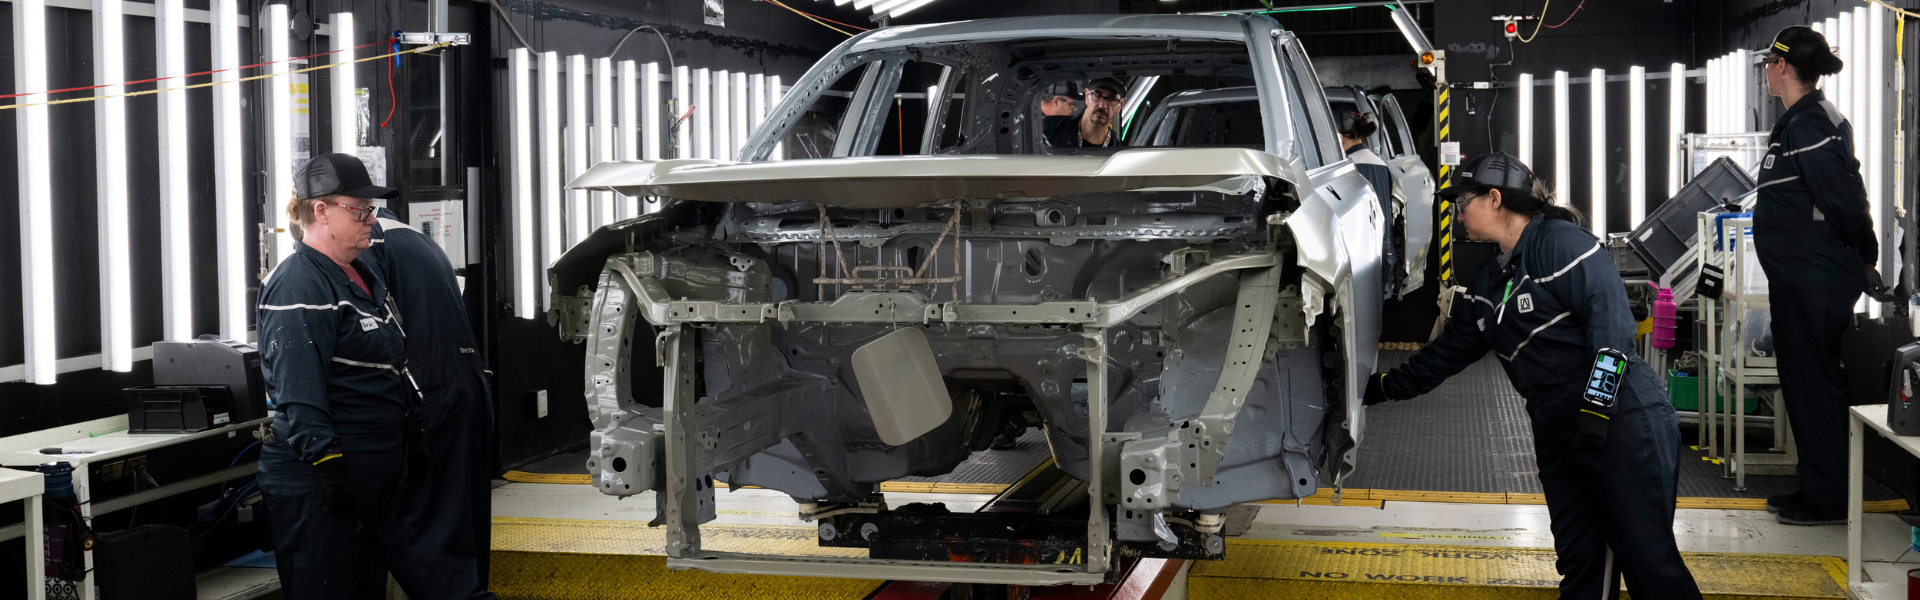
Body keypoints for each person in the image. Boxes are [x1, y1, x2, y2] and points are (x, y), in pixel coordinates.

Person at [1365, 153, 1702, 599]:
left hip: (1621, 420)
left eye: (1463, 203)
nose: (1458, 215)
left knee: (1648, 562)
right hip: (1558, 431)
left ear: (1495, 198)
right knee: (1582, 563)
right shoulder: (1487, 284)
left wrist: (1597, 408)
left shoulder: (1561, 244)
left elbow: (1612, 326)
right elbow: (1446, 354)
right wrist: (1380, 388)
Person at [256, 153, 418, 599]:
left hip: (371, 476)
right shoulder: (298, 284)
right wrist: (329, 465)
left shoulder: (362, 275)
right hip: (324, 481)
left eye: (372, 209)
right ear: (321, 210)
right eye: (360, 210)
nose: (372, 219)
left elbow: (391, 362)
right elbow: (299, 387)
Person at [1753, 25, 1886, 526]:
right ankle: (1817, 486)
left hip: (1815, 276)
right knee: (1804, 380)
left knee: (1815, 382)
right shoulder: (1801, 122)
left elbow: (1845, 198)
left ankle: (1829, 497)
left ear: (1783, 66)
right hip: (1800, 278)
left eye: (1769, 62)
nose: (1767, 71)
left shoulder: (1811, 123)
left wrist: (1866, 254)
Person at [360, 208, 500, 599]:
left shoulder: (370, 241)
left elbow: (367, 327)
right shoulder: (419, 240)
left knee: (423, 530)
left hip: (428, 392)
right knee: (462, 525)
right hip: (467, 382)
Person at [1337, 108, 1397, 298]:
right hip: (1381, 249)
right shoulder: (1381, 164)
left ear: (1340, 138)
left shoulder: (1346, 166)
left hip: (1357, 255)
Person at [1043, 77, 1127, 148]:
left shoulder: (1117, 155)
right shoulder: (1049, 128)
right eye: (1097, 95)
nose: (1102, 105)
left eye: (1112, 99)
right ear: (1086, 96)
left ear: (1121, 104)